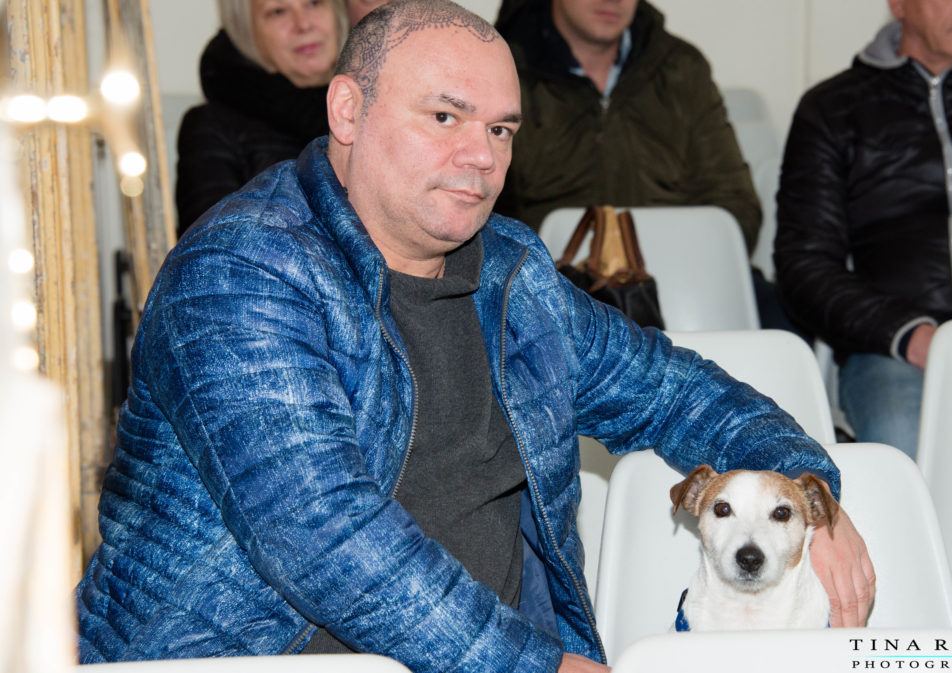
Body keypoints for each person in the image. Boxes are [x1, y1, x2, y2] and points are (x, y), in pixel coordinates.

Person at [77, 1, 874, 670]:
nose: (480, 156)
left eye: (500, 129)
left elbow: (669, 388)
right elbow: (324, 536)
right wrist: (538, 662)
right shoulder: (241, 273)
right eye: (445, 116)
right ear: (348, 110)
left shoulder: (510, 272)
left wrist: (806, 480)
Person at [774, 0, 952, 459]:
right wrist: (909, 334)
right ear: (899, 4)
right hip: (896, 348)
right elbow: (804, 263)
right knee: (902, 442)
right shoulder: (834, 109)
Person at [493, 0, 803, 336]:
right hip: (548, 283)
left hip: (684, 280)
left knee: (786, 325)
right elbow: (488, 212)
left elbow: (735, 203)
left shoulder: (681, 67)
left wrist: (672, 258)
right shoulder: (500, 66)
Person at [174, 0, 348, 236]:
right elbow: (213, 256)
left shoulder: (378, 109)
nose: (303, 24)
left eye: (314, 3)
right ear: (245, 29)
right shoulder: (212, 128)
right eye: (278, 12)